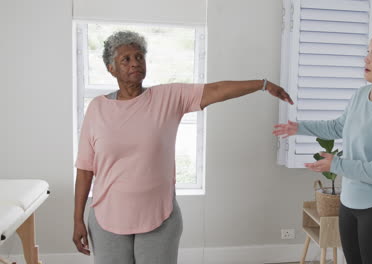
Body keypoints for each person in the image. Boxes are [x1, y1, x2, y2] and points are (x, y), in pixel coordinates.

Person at [72, 30, 293, 264]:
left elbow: (216, 90)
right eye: (125, 59)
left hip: (159, 216)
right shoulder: (97, 109)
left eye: (139, 57)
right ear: (111, 68)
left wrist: (263, 84)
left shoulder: (168, 97)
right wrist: (77, 219)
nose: (135, 63)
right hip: (108, 218)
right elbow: (85, 169)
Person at [273, 27, 372, 264]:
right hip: (351, 203)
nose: (366, 59)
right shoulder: (361, 94)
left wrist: (338, 164)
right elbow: (338, 127)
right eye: (368, 52)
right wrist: (298, 127)